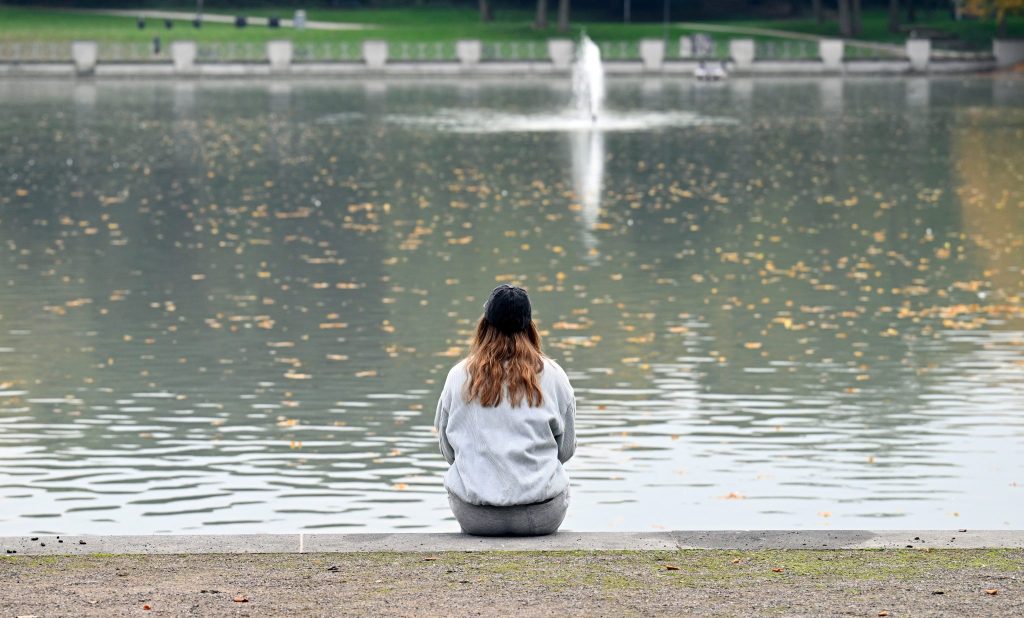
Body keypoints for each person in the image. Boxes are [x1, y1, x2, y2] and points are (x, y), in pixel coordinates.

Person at [434, 285, 576, 536]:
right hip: (541, 516)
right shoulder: (554, 376)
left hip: (476, 517)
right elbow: (565, 450)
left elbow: (448, 450)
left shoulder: (458, 376)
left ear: (484, 326)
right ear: (530, 326)